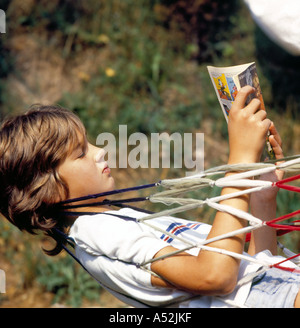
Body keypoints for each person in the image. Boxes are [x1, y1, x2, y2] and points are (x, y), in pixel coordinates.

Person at [0, 86, 300, 308]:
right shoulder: (96, 233)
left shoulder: (111, 223)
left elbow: (261, 264)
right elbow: (215, 276)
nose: (99, 151)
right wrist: (238, 164)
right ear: (48, 189)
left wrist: (259, 194)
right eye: (80, 152)